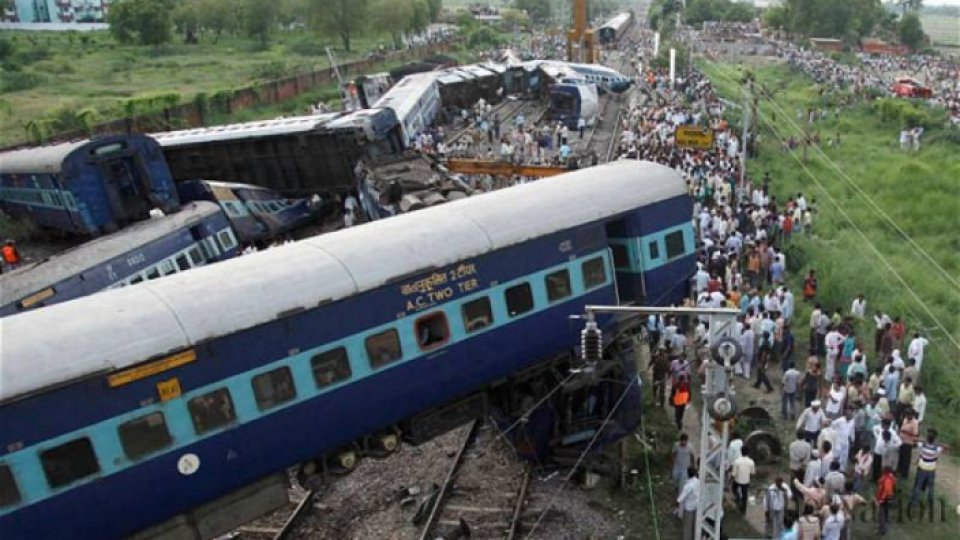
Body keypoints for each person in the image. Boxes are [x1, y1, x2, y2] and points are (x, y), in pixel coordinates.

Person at [909, 429, 947, 517]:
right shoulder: (937, 448)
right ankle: (930, 502)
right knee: (930, 487)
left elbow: (914, 440)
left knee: (918, 485)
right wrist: (937, 443)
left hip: (922, 468)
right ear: (935, 438)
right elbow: (947, 447)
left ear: (927, 438)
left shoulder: (923, 445)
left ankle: (914, 502)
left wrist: (923, 440)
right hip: (931, 470)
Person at [730, 448, 756, 514]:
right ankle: (743, 510)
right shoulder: (751, 462)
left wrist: (730, 479)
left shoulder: (737, 461)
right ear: (748, 452)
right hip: (746, 481)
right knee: (745, 495)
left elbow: (733, 473)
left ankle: (738, 498)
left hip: (737, 480)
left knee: (734, 489)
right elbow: (752, 473)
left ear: (741, 452)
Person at [897, 409, 920, 478]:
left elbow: (915, 435)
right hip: (901, 441)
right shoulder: (905, 419)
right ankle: (899, 470)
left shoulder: (915, 423)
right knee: (901, 456)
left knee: (906, 459)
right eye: (907, 414)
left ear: (912, 415)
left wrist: (906, 432)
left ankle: (904, 474)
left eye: (909, 414)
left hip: (908, 442)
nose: (907, 416)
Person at [875, 466, 896, 536]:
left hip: (884, 499)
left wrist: (881, 499)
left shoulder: (887, 480)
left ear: (886, 471)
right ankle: (885, 526)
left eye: (883, 470)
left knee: (881, 515)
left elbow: (887, 491)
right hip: (887, 499)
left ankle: (882, 529)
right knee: (885, 513)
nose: (882, 470)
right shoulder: (890, 477)